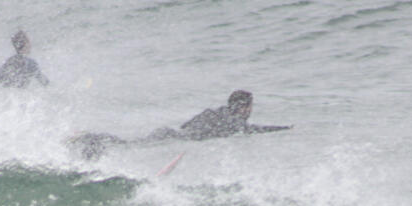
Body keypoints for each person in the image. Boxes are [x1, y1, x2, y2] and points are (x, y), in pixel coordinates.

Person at [68, 90, 290, 160]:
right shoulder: (235, 120)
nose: (250, 112)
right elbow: (253, 130)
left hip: (172, 132)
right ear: (245, 107)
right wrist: (283, 129)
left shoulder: (214, 111)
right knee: (129, 145)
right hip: (175, 137)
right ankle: (92, 139)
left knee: (131, 143)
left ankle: (90, 137)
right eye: (249, 107)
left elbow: (187, 125)